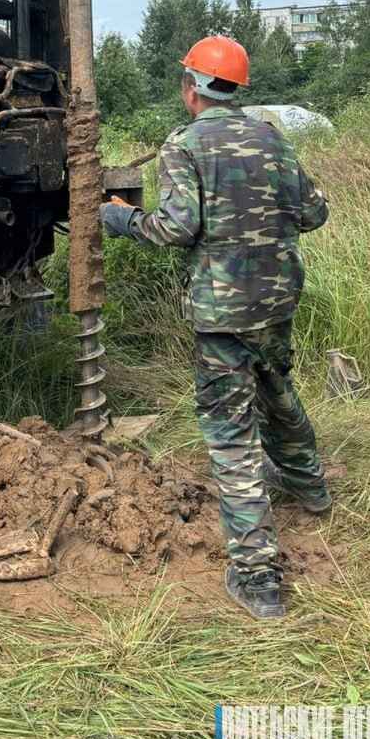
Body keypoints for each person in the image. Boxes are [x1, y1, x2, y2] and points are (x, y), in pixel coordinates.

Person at [99, 35, 330, 621]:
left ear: (192, 87)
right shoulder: (274, 136)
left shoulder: (185, 143)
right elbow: (314, 212)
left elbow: (175, 228)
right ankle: (311, 488)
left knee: (231, 435)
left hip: (223, 312)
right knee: (277, 386)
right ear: (235, 89)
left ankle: (257, 577)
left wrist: (120, 218)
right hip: (278, 298)